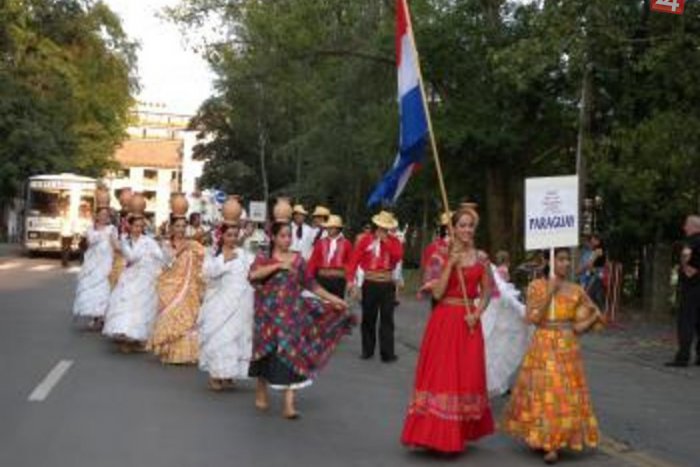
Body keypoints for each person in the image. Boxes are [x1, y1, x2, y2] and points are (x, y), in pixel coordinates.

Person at [401, 207, 494, 454]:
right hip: (444, 320)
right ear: (453, 229)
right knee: (443, 377)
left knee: (466, 377)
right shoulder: (442, 256)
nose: (466, 230)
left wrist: (477, 313)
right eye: (461, 225)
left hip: (468, 323)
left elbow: (486, 293)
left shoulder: (482, 258)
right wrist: (451, 265)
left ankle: (459, 431)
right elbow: (439, 293)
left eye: (470, 225)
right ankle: (436, 435)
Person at [502, 248, 604, 464]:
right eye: (561, 259)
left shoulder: (577, 290)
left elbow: (580, 327)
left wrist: (593, 315)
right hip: (543, 344)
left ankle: (557, 441)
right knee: (545, 392)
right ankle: (548, 442)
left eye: (568, 259)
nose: (566, 263)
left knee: (563, 395)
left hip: (568, 348)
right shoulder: (536, 286)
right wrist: (551, 291)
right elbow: (533, 318)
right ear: (550, 261)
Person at [248, 221, 354, 419]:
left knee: (292, 352)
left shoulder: (298, 260)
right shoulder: (264, 258)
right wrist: (278, 265)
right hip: (267, 316)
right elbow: (252, 276)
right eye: (282, 236)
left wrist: (334, 299)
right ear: (273, 237)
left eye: (289, 236)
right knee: (265, 353)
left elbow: (312, 286)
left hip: (291, 315)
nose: (287, 239)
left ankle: (289, 404)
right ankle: (261, 388)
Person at [198, 222, 255, 391]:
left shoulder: (244, 254)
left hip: (241, 303)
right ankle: (216, 373)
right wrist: (224, 260)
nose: (232, 239)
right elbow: (207, 274)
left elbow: (254, 272)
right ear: (221, 236)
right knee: (220, 337)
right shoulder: (213, 254)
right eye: (229, 235)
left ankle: (229, 373)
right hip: (219, 303)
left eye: (235, 236)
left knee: (236, 337)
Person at [148, 215, 205, 364]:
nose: (180, 229)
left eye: (183, 226)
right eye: (177, 226)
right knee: (171, 316)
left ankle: (188, 354)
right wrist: (180, 250)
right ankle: (170, 352)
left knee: (188, 319)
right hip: (171, 286)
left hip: (188, 288)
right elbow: (166, 265)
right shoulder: (166, 245)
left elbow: (203, 263)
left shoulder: (193, 244)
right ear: (172, 228)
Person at [103, 215, 165, 353]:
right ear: (130, 226)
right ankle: (125, 337)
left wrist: (156, 250)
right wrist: (145, 252)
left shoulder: (149, 241)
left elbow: (160, 256)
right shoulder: (125, 240)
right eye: (136, 226)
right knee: (126, 306)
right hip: (130, 277)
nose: (138, 229)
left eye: (141, 226)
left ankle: (137, 339)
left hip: (145, 278)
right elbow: (131, 257)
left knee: (142, 308)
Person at [347, 211, 404, 363]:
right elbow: (354, 260)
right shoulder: (365, 240)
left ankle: (387, 353)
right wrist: (351, 280)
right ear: (376, 226)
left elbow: (397, 257)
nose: (382, 230)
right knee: (368, 318)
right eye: (380, 227)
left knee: (387, 319)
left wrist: (386, 242)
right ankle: (367, 350)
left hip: (387, 284)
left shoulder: (395, 242)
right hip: (370, 283)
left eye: (386, 228)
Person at [72, 207, 117, 331]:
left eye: (106, 215)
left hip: (105, 263)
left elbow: (116, 245)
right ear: (96, 216)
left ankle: (101, 317)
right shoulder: (90, 229)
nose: (103, 216)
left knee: (103, 290)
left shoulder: (111, 229)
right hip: (92, 263)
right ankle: (94, 317)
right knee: (91, 290)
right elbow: (88, 243)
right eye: (101, 214)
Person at [667, 215, 700, 367]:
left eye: (686, 224)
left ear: (694, 226)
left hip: (692, 287)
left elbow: (686, 254)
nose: (684, 227)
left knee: (686, 321)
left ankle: (683, 357)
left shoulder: (692, 240)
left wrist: (686, 267)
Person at [306, 215, 353, 299]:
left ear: (338, 229)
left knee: (337, 304)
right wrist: (309, 278)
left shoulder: (346, 244)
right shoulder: (320, 243)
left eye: (332, 227)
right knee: (322, 304)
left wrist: (350, 280)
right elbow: (313, 261)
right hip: (322, 278)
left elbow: (350, 264)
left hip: (339, 280)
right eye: (328, 227)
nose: (329, 229)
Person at [577, 234, 606, 310]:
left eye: (592, 240)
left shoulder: (598, 250)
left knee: (591, 294)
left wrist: (584, 268)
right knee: (592, 295)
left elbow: (590, 265)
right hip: (587, 277)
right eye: (590, 241)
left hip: (595, 276)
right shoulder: (586, 252)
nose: (591, 242)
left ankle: (598, 313)